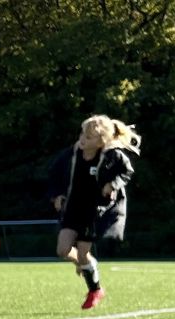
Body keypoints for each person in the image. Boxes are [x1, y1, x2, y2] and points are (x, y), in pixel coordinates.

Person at [48, 114, 141, 308]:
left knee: (83, 253)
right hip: (73, 207)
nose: (82, 139)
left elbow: (126, 171)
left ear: (101, 141)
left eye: (88, 137)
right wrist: (57, 195)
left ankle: (95, 290)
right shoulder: (73, 152)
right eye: (82, 134)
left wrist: (112, 184)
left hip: (93, 211)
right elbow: (55, 171)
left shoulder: (110, 155)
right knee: (62, 250)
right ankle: (84, 264)